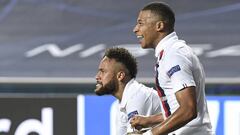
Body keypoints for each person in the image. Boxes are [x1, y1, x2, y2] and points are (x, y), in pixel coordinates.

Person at [131, 2, 214, 135]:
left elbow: (188, 110)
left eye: (141, 23)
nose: (135, 29)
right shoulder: (171, 52)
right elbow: (177, 108)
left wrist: (150, 134)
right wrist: (149, 120)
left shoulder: (174, 55)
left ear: (159, 26)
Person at [95, 47, 162, 135]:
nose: (97, 76)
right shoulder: (120, 105)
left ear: (120, 76)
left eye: (102, 71)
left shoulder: (137, 95)